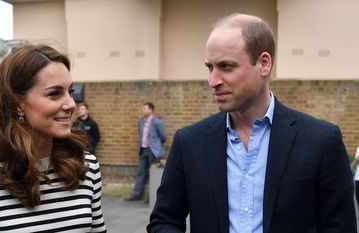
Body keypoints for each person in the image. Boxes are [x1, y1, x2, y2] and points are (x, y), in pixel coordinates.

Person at [148, 13, 356, 233]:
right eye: (210, 67)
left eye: (226, 66)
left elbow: (340, 227)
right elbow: (164, 220)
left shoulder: (321, 141)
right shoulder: (189, 142)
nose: (213, 81)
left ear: (264, 63)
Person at [0, 44, 107, 232]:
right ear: (18, 104)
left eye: (70, 92)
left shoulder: (86, 166)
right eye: (55, 93)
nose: (71, 104)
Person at [125, 102, 167, 201]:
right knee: (140, 173)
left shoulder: (157, 122)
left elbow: (163, 136)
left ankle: (150, 197)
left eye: (145, 108)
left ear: (150, 110)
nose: (143, 110)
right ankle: (136, 195)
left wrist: (156, 145)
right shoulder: (141, 122)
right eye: (143, 108)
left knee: (153, 174)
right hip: (143, 150)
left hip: (153, 151)